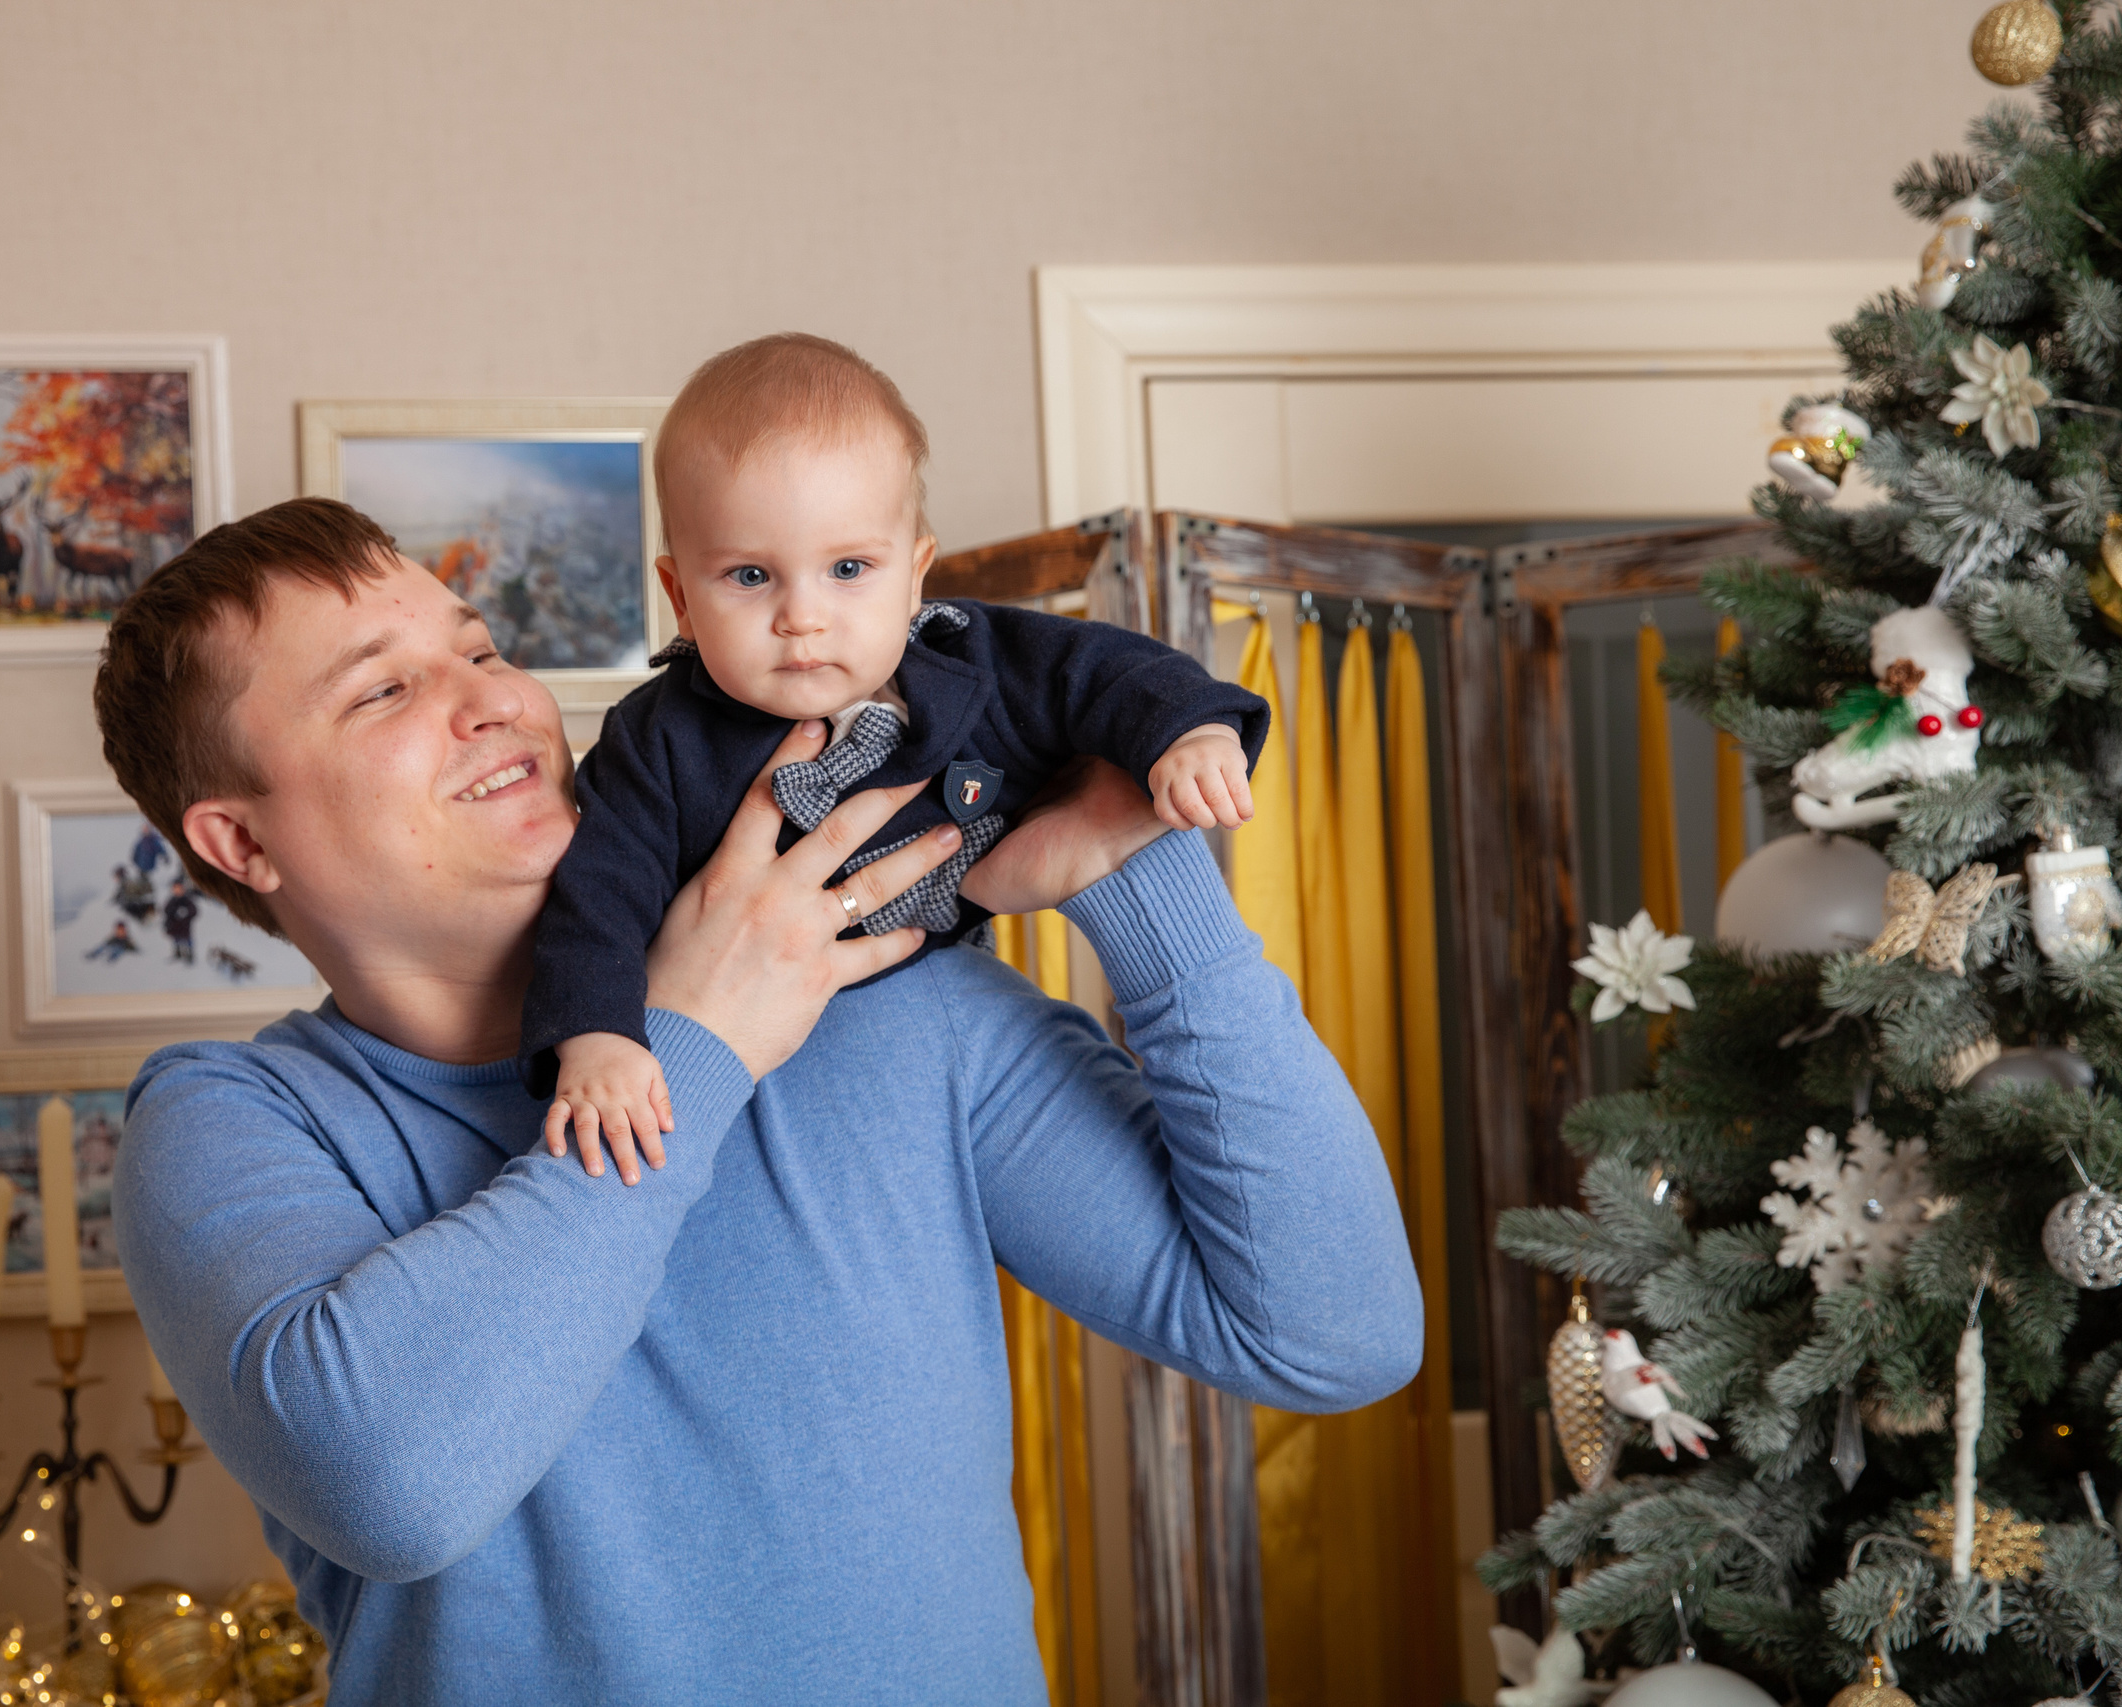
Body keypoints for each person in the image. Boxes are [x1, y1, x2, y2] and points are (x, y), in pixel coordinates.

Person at [96, 496, 1421, 1705]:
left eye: (483, 648)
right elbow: (391, 1485)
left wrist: (1133, 863)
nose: (491, 699)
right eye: (385, 688)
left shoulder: (887, 1000)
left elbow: (1331, 1333)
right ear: (242, 840)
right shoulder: (235, 1119)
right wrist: (697, 1039)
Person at [526, 334, 1269, 1175]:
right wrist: (596, 1043)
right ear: (679, 597)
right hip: (728, 1089)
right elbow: (596, 899)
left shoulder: (970, 662)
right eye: (748, 576)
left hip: (937, 1036)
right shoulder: (655, 738)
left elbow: (1104, 671)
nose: (802, 616)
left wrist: (1192, 732)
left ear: (916, 575)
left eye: (848, 567)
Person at [161, 878, 199, 965]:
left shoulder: (187, 900)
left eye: (179, 888)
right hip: (175, 926)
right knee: (176, 939)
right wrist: (175, 912)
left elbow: (194, 910)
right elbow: (166, 910)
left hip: (185, 926)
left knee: (187, 939)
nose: (177, 890)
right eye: (175, 888)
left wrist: (185, 912)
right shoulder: (172, 900)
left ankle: (190, 954)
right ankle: (177, 952)